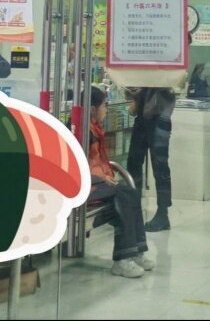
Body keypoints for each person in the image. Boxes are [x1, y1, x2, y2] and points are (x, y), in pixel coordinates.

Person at [88, 87, 154, 278]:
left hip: (97, 182)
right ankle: (123, 259)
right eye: (104, 106)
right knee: (124, 196)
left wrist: (104, 176)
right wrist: (102, 178)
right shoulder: (83, 131)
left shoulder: (94, 128)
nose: (106, 110)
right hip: (87, 185)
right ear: (92, 109)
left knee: (131, 193)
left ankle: (137, 251)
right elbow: (78, 166)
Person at [126, 84, 177, 232]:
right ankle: (133, 209)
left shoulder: (164, 75)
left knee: (160, 167)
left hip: (160, 118)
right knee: (133, 163)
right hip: (142, 117)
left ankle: (163, 213)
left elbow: (172, 86)